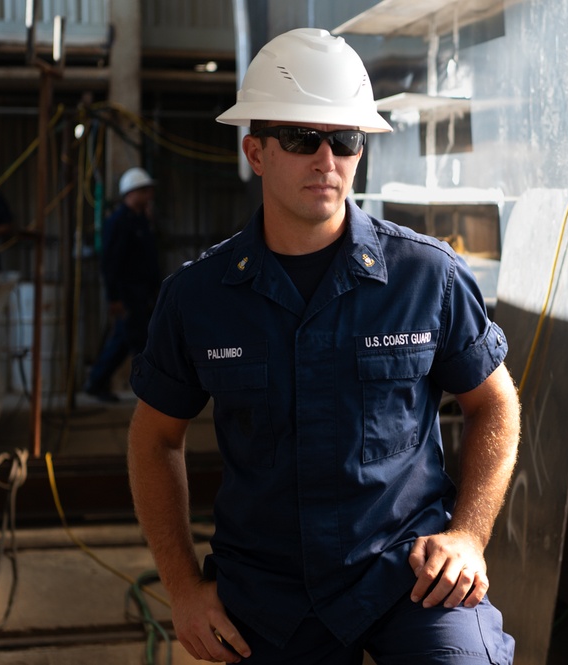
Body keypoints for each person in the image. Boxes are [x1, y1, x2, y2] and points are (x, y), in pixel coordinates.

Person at [127, 27, 520, 665]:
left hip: (407, 575)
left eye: (345, 141)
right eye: (303, 139)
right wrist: (183, 589)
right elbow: (153, 439)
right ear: (256, 153)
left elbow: (495, 405)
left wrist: (469, 537)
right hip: (267, 593)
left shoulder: (427, 277)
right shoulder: (199, 298)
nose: (327, 160)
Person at [84, 167, 162, 402]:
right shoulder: (118, 222)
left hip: (142, 292)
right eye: (145, 191)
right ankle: (142, 388)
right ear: (132, 193)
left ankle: (99, 382)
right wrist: (114, 297)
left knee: (130, 340)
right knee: (134, 340)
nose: (149, 195)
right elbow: (110, 263)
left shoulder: (140, 220)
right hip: (128, 292)